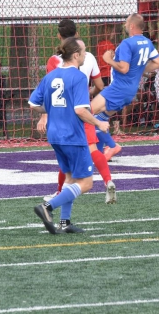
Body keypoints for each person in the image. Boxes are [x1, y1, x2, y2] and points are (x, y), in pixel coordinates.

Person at [30, 37, 111, 234]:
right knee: (86, 183)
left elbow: (33, 104)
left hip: (55, 135)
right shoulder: (79, 77)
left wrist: (52, 109)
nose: (85, 55)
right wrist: (99, 123)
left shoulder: (51, 76)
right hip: (72, 136)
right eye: (84, 52)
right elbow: (80, 110)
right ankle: (48, 207)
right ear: (76, 55)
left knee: (70, 178)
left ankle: (64, 222)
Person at [89, 14, 159, 203]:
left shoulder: (126, 43)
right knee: (101, 119)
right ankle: (101, 151)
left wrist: (108, 60)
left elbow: (122, 68)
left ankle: (110, 146)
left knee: (87, 113)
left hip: (118, 88)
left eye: (126, 22)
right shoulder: (147, 42)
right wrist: (139, 70)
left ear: (131, 26)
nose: (124, 25)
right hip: (130, 90)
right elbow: (158, 63)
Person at [44, 19, 118, 200]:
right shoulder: (89, 57)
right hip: (84, 107)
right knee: (93, 149)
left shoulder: (54, 60)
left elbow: (49, 90)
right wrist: (87, 93)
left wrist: (45, 115)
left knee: (66, 157)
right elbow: (100, 85)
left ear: (58, 36)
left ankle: (59, 193)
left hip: (64, 114)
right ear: (77, 34)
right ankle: (108, 180)